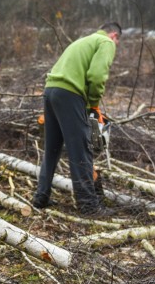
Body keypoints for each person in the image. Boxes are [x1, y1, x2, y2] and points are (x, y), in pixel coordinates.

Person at [32, 21, 121, 217]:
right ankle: (88, 205)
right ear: (114, 35)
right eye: (117, 41)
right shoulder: (106, 42)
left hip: (51, 90)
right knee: (80, 149)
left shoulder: (84, 41)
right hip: (70, 93)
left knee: (52, 148)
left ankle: (41, 197)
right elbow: (97, 76)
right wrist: (93, 105)